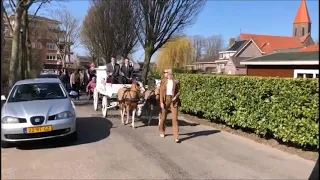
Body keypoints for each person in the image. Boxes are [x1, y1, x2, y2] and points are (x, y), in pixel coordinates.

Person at [159, 69, 181, 143]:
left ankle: (176, 137)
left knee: (175, 118)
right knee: (163, 117)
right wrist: (161, 102)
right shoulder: (164, 81)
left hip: (173, 100)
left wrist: (176, 97)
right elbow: (161, 92)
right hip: (166, 99)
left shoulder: (176, 81)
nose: (166, 74)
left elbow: (179, 91)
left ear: (171, 74)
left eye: (167, 73)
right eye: (166, 73)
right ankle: (162, 131)